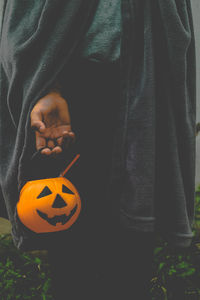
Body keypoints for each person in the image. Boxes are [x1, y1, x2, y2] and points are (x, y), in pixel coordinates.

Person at [0, 1, 196, 299]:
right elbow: (23, 20)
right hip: (68, 94)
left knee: (133, 244)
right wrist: (45, 86)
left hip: (144, 88)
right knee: (71, 237)